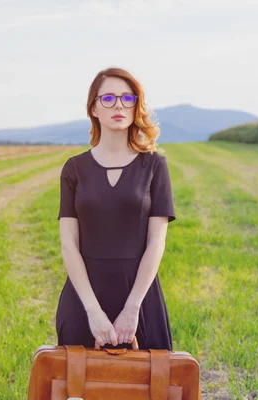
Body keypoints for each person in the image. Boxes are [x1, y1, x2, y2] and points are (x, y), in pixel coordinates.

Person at [55, 66, 176, 351]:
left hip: (140, 300)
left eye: (127, 98)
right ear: (94, 109)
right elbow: (68, 245)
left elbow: (156, 242)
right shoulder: (74, 169)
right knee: (77, 389)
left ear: (136, 106)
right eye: (108, 99)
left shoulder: (155, 166)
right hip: (83, 301)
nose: (118, 105)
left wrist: (132, 308)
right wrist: (93, 312)